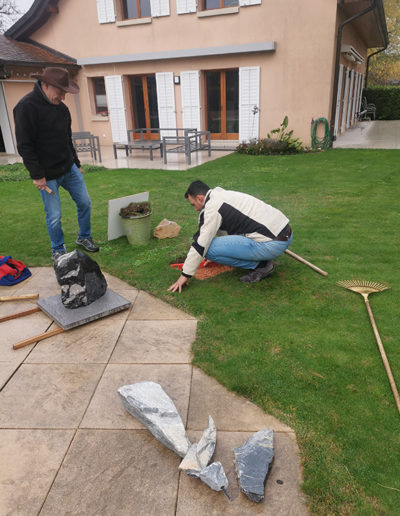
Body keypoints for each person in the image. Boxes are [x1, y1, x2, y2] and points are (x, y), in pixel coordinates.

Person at [13, 67, 99, 260]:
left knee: (85, 202)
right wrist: (37, 175)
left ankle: (84, 237)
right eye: (60, 92)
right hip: (47, 174)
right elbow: (25, 146)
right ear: (46, 85)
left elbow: (66, 139)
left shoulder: (62, 109)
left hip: (68, 167)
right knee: (54, 215)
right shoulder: (26, 107)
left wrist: (76, 163)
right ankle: (58, 249)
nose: (63, 97)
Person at [168, 180, 293, 293]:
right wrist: (223, 250)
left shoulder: (212, 208)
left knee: (208, 249)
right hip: (285, 233)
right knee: (212, 245)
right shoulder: (222, 195)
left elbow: (200, 244)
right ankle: (264, 256)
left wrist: (184, 276)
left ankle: (261, 265)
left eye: (193, 204)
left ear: (200, 198)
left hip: (272, 243)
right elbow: (228, 230)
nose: (195, 209)